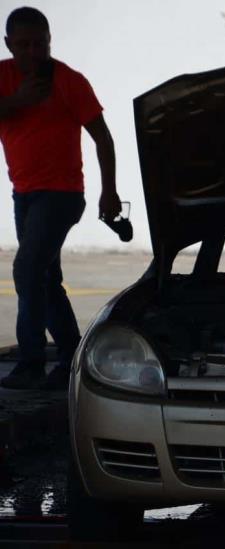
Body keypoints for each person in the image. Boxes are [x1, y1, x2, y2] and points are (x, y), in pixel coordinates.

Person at [0, 7, 121, 390]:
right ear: (8, 45)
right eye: (24, 45)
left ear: (50, 40)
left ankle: (32, 360)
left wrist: (110, 191)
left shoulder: (69, 81)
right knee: (45, 278)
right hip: (25, 195)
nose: (33, 52)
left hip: (62, 195)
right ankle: (71, 354)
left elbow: (103, 137)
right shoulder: (3, 78)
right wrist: (18, 101)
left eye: (41, 43)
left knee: (26, 269)